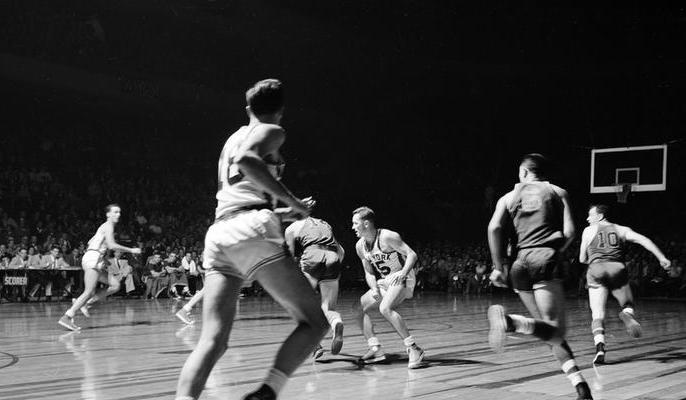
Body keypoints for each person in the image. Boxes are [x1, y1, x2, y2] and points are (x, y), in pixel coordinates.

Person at [174, 79, 327, 400]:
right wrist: (296, 203)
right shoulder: (272, 131)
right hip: (251, 228)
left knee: (212, 340)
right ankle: (267, 391)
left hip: (220, 233)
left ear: (247, 109)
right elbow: (247, 161)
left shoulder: (231, 138)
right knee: (314, 323)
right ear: (281, 111)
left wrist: (284, 212)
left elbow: (242, 193)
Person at [487, 154, 592, 400]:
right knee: (556, 331)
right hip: (546, 259)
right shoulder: (557, 191)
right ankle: (511, 322)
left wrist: (498, 266)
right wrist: (557, 250)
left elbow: (494, 228)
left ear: (524, 172)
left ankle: (581, 388)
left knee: (545, 330)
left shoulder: (508, 197)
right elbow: (569, 232)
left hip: (519, 264)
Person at [579, 204, 671, 364]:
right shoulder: (622, 229)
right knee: (627, 304)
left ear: (600, 216)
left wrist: (593, 259)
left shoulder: (588, 231)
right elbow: (645, 240)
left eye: (590, 215)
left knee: (597, 313)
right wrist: (662, 258)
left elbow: (582, 259)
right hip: (617, 268)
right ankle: (626, 314)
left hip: (596, 269)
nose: (587, 218)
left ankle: (600, 348)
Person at [352, 206, 425, 369]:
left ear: (365, 223)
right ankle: (375, 349)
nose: (352, 227)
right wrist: (374, 289)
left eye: (355, 223)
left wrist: (404, 272)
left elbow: (412, 254)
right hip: (386, 280)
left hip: (402, 275)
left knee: (385, 308)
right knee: (358, 308)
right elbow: (369, 272)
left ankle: (414, 348)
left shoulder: (388, 236)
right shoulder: (360, 246)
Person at [58, 204, 141, 331]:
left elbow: (90, 242)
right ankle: (68, 316)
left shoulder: (103, 227)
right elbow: (112, 246)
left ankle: (87, 303)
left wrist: (103, 257)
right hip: (93, 258)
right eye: (115, 212)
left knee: (115, 285)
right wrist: (131, 250)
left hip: (95, 258)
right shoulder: (108, 226)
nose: (118, 214)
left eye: (119, 212)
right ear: (108, 214)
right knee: (89, 291)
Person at [284, 216, 346, 359]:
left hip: (312, 255)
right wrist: (333, 266)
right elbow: (341, 251)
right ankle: (336, 322)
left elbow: (290, 257)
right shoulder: (325, 223)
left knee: (302, 304)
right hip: (333, 257)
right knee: (328, 308)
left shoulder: (292, 227)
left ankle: (315, 346)